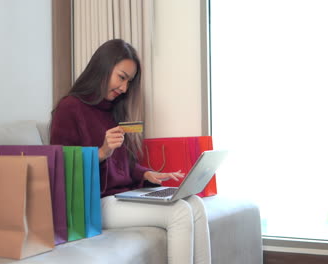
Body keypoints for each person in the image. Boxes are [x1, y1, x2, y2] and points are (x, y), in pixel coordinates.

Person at [50, 39, 211, 264]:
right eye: (121, 77)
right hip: (95, 202)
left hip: (123, 195)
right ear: (103, 68)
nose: (124, 88)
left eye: (129, 81)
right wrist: (102, 152)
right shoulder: (69, 108)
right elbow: (60, 167)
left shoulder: (112, 110)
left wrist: (146, 174)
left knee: (195, 204)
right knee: (180, 213)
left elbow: (124, 164)